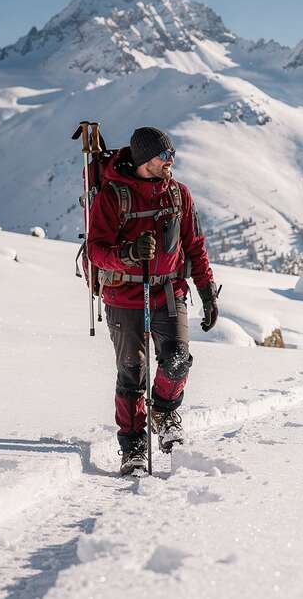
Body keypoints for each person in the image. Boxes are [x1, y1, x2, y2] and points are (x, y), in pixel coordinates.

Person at [86, 126, 218, 475]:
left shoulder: (178, 194)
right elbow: (97, 250)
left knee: (177, 360)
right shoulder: (114, 196)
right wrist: (128, 253)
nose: (170, 161)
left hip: (169, 292)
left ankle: (163, 410)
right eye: (164, 156)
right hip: (123, 294)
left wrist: (206, 292)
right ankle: (133, 446)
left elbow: (195, 246)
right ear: (145, 160)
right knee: (132, 373)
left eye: (171, 155)